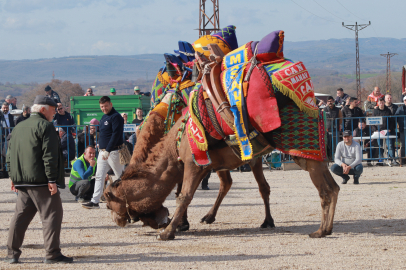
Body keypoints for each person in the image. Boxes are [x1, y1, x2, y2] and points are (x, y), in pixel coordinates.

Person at [5, 95, 73, 264]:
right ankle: (52, 254)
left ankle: (12, 254)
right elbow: (49, 155)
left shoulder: (19, 127)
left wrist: (13, 176)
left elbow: (9, 154)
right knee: (52, 215)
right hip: (41, 180)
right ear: (43, 109)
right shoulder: (46, 126)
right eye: (52, 111)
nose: (54, 114)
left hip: (22, 181)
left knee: (20, 217)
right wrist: (51, 179)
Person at [82, 96, 125, 209]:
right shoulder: (104, 117)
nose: (104, 108)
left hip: (114, 151)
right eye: (102, 106)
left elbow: (116, 134)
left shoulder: (116, 117)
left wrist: (108, 149)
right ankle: (95, 201)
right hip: (102, 152)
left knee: (120, 176)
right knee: (99, 176)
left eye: (106, 106)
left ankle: (128, 199)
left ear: (110, 104)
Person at [373, 97, 396, 166]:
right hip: (378, 131)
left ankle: (393, 160)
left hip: (387, 131)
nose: (381, 104)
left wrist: (390, 128)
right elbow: (372, 122)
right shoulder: (375, 111)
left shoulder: (388, 110)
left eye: (382, 102)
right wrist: (375, 129)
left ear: (384, 103)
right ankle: (380, 160)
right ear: (378, 103)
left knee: (390, 145)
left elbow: (392, 121)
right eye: (380, 103)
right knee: (380, 146)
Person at [395, 96, 406, 164]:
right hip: (403, 129)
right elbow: (395, 117)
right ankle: (402, 160)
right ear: (404, 101)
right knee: (403, 145)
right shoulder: (400, 109)